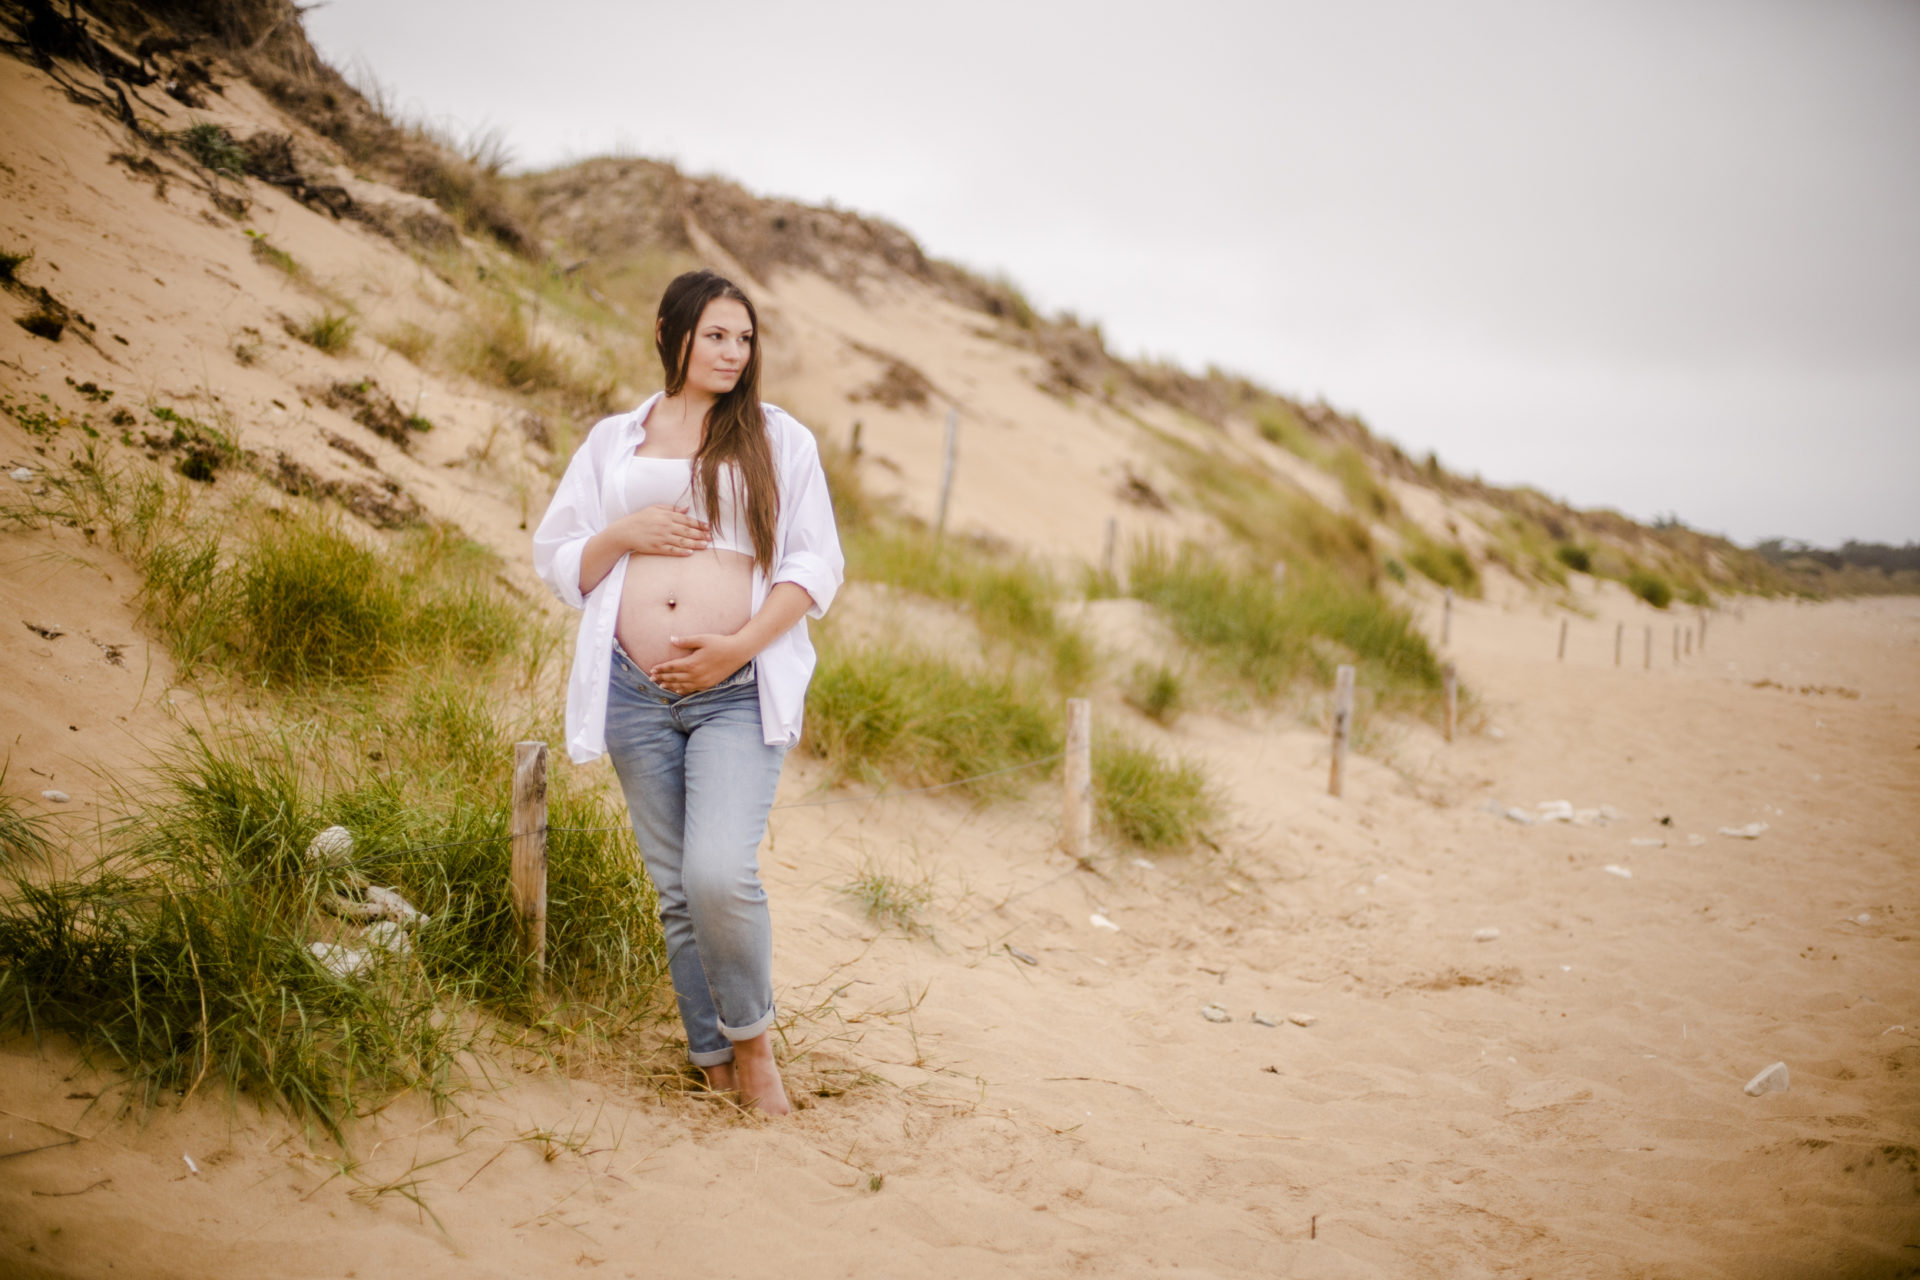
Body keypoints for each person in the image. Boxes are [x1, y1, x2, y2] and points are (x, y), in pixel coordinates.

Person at [532, 269, 843, 1115]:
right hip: (633, 691)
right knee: (674, 887)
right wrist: (623, 532)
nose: (733, 353)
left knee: (718, 872)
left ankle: (755, 1050)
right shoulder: (613, 439)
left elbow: (815, 564)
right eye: (716, 335)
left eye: (745, 339)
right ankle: (710, 1058)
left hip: (734, 689)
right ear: (672, 333)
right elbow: (559, 559)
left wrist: (734, 648)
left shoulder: (779, 439)